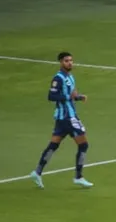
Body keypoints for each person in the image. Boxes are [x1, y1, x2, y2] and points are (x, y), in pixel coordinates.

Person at [30, 52, 93, 189]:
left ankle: (37, 172)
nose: (69, 63)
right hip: (68, 117)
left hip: (62, 119)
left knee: (53, 145)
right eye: (66, 61)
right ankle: (78, 177)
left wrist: (78, 97)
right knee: (83, 145)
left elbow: (71, 96)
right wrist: (68, 96)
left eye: (71, 60)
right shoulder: (58, 78)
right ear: (60, 62)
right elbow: (51, 96)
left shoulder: (70, 77)